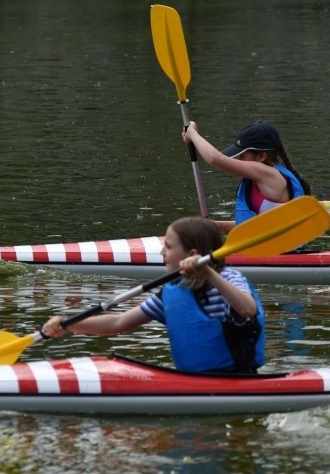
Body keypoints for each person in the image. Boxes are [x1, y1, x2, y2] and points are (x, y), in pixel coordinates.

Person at [41, 217, 266, 374]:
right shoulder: (174, 290)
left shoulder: (229, 278)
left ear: (192, 254)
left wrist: (208, 272)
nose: (161, 252)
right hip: (195, 379)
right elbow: (117, 322)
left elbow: (247, 309)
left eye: (168, 247)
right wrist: (69, 324)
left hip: (239, 379)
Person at [182, 120, 311, 231]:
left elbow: (215, 159)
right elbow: (260, 225)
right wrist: (217, 226)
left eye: (242, 155)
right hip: (268, 250)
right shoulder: (261, 179)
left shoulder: (268, 173)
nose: (238, 158)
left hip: (278, 255)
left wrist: (193, 133)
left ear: (261, 156)